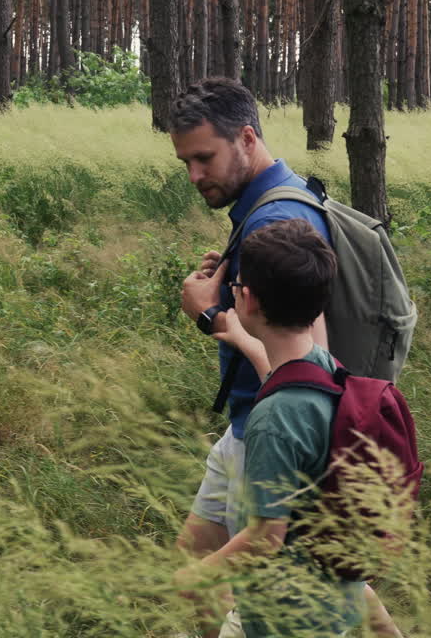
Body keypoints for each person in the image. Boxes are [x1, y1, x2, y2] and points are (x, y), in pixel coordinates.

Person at [171, 79, 401, 637]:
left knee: (258, 567)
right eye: (186, 162)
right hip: (253, 419)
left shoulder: (276, 219)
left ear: (247, 137)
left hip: (270, 425)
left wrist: (207, 314)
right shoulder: (271, 202)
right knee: (198, 548)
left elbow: (304, 358)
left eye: (205, 157)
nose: (195, 175)